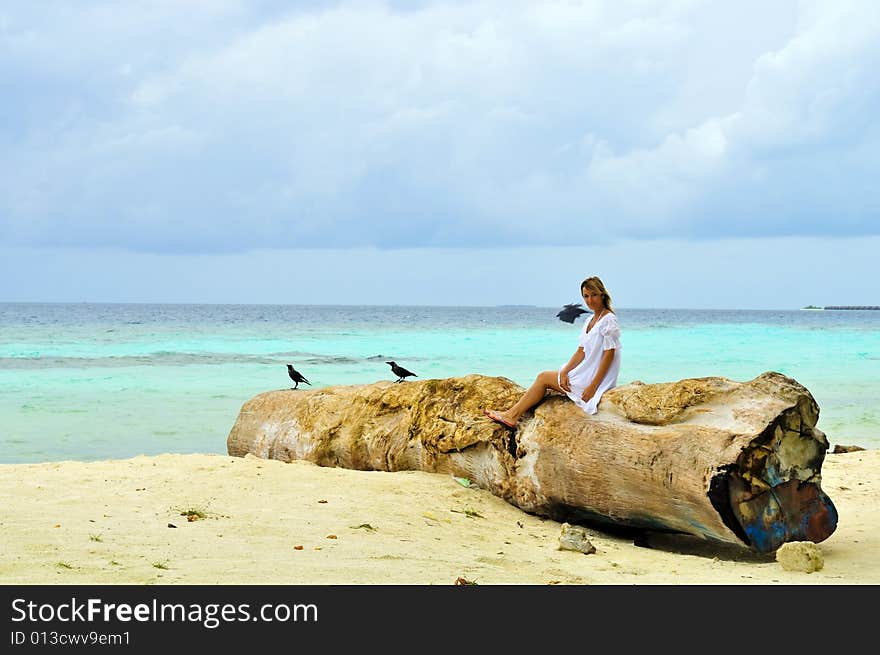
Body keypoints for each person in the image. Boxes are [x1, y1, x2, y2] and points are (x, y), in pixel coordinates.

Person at [483, 276, 622, 428]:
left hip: (595, 379)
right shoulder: (590, 320)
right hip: (586, 373)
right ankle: (512, 414)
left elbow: (610, 355)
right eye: (586, 296)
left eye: (594, 295)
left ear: (602, 294)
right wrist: (565, 371)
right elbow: (581, 351)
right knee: (551, 377)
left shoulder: (608, 319)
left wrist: (593, 386)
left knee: (543, 378)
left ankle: (511, 416)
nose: (590, 300)